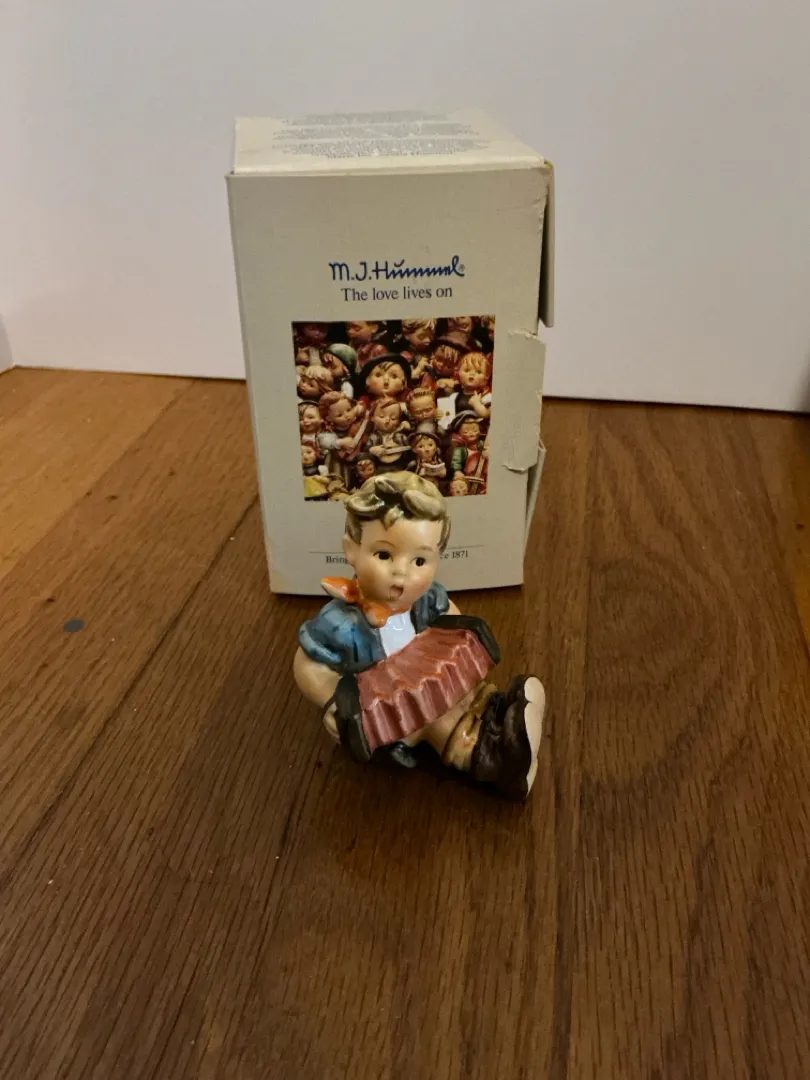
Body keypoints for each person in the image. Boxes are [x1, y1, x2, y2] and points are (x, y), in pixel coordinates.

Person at [293, 473, 545, 799]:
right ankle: (493, 759)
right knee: (437, 720)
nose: (402, 573)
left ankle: (501, 714)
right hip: (388, 716)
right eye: (384, 555)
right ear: (351, 550)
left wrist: (460, 650)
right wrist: (332, 700)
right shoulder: (340, 623)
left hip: (429, 679)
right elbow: (307, 665)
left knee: (460, 688)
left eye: (420, 560)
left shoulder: (426, 600)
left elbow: (449, 620)